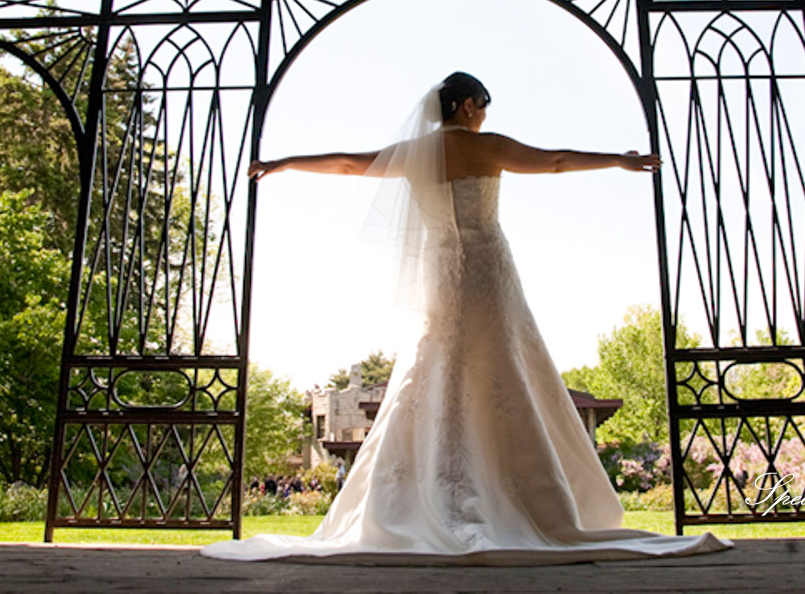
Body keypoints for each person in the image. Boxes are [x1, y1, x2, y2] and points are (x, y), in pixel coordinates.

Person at [201, 72, 729, 564]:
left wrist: (285, 162)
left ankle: (420, 498)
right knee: (503, 366)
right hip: (486, 269)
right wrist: (619, 160)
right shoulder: (487, 145)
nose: (481, 116)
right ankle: (522, 495)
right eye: (482, 108)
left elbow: (344, 163)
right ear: (471, 104)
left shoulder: (413, 154)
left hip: (440, 273)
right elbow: (557, 161)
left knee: (434, 368)